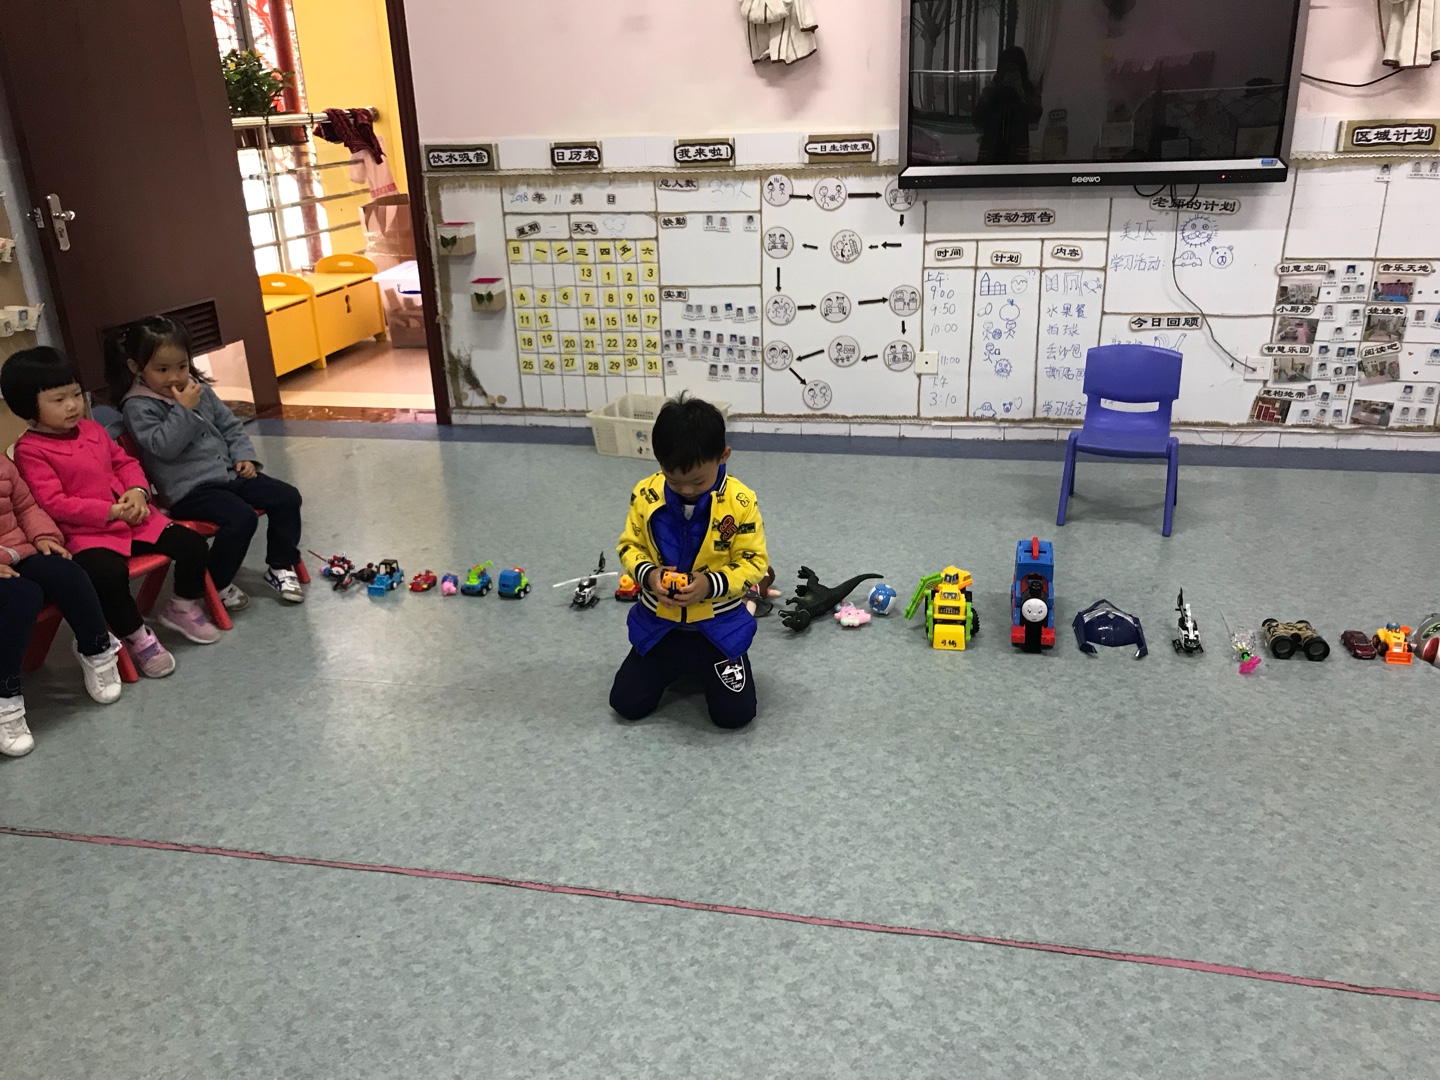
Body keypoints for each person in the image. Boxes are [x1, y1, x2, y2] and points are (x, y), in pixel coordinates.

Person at [2, 346, 220, 678]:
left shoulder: (92, 429)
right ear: (27, 406)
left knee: (191, 544)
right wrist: (110, 511)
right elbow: (53, 502)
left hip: (135, 520)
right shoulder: (30, 450)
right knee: (106, 576)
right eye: (59, 400)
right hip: (86, 535)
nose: (73, 405)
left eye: (76, 394)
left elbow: (125, 463)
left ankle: (183, 605)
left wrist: (138, 491)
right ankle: (136, 636)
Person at [105, 316, 305, 606]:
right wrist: (184, 411)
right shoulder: (137, 406)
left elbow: (230, 426)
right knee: (241, 518)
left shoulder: (199, 389)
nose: (175, 377)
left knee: (287, 497)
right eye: (162, 369)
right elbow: (164, 447)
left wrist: (244, 456)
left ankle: (280, 565)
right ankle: (217, 581)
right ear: (136, 367)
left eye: (182, 366)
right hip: (190, 491)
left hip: (229, 475)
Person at [609, 395, 769, 730]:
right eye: (673, 479)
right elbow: (629, 546)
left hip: (718, 632)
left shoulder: (741, 502)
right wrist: (649, 575)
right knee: (625, 705)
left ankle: (710, 666)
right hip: (660, 628)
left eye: (698, 481)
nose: (685, 489)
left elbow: (754, 561)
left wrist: (710, 584)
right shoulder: (646, 494)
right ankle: (677, 667)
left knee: (735, 717)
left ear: (723, 456)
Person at [0, 453, 123, 757]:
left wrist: (42, 535)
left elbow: (26, 507)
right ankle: (4, 694)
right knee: (22, 596)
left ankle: (96, 647)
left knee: (67, 573)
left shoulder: (3, 465)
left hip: (18, 550)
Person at [975, 46, 1043, 164]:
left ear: (1021, 71)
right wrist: (995, 87)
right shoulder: (993, 88)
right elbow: (977, 118)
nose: (1010, 74)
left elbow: (1035, 116)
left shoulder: (1028, 89)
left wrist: (1020, 91)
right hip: (991, 153)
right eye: (1007, 70)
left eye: (1014, 71)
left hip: (1017, 154)